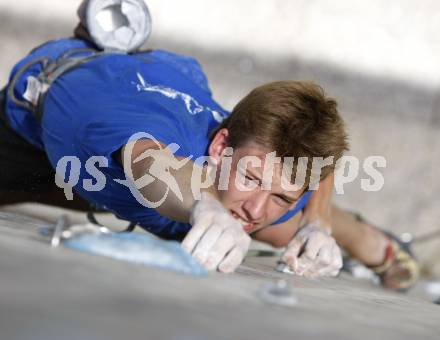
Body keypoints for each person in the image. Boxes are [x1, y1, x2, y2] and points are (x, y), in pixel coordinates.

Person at [0, 35, 419, 290]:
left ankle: (365, 239)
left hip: (175, 110)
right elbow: (148, 163)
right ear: (220, 147)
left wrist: (318, 224)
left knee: (280, 227)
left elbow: (314, 172)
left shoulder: (260, 169)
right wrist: (204, 205)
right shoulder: (129, 124)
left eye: (280, 193)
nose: (255, 209)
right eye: (252, 177)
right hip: (44, 130)